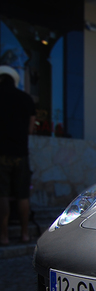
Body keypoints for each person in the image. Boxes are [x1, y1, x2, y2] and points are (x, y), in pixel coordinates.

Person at [0, 66, 36, 245]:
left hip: (2, 152)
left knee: (3, 194)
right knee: (23, 195)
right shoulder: (26, 99)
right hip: (21, 152)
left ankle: (4, 236)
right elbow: (30, 129)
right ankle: (24, 234)